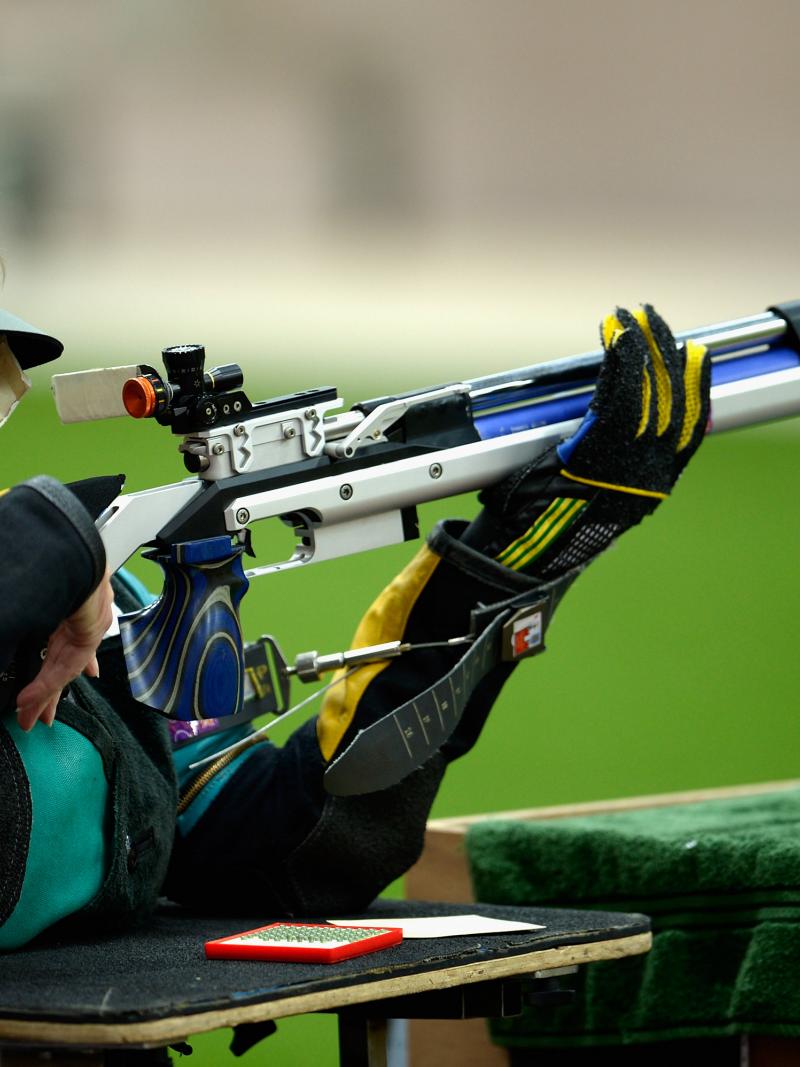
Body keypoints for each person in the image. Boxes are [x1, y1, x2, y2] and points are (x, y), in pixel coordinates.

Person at [0, 301, 710, 946]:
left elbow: (266, 850)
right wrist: (51, 545)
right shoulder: (54, 554)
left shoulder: (82, 583)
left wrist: (511, 560)